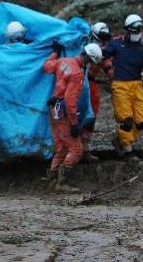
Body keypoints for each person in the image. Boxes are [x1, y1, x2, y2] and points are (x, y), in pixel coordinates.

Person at [42, 41, 104, 193]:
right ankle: (62, 183)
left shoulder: (64, 61)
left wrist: (55, 52)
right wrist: (75, 124)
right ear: (89, 59)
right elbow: (70, 102)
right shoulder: (78, 74)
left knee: (62, 148)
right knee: (76, 149)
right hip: (63, 113)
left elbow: (47, 66)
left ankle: (52, 180)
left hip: (53, 109)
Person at [102, 14, 143, 160]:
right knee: (126, 120)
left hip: (136, 85)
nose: (137, 33)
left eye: (139, 29)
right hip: (120, 85)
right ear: (127, 30)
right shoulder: (117, 43)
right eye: (134, 30)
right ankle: (127, 149)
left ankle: (120, 140)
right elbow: (101, 54)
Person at [82, 22, 114, 163]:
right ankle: (72, 149)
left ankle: (85, 149)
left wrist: (117, 77)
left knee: (91, 116)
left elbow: (108, 66)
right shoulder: (79, 43)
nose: (104, 41)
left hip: (91, 82)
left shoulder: (103, 52)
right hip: (77, 81)